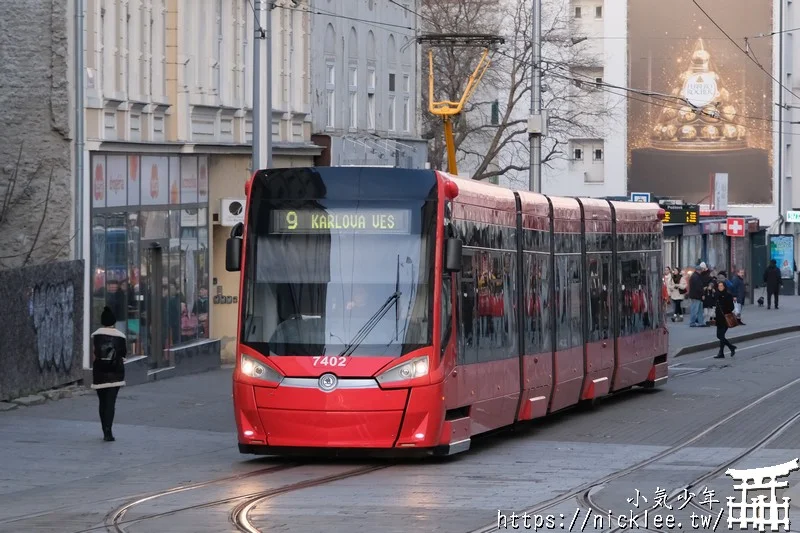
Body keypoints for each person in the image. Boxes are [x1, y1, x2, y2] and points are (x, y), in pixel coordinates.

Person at [91, 306, 127, 441]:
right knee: (111, 403)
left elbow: (93, 354)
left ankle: (104, 429)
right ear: (113, 321)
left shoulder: (95, 336)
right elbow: (123, 355)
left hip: (99, 372)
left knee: (102, 402)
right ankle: (109, 432)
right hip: (115, 373)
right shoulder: (120, 336)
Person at [714, 281, 736, 359]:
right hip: (718, 318)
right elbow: (714, 304)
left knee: (720, 335)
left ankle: (724, 351)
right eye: (719, 286)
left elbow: (731, 307)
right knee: (719, 335)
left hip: (726, 318)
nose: (720, 287)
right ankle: (728, 349)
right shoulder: (716, 294)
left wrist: (725, 309)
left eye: (721, 286)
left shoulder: (728, 295)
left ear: (724, 286)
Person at [688, 262, 707, 327]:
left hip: (695, 295)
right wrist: (702, 294)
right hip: (696, 296)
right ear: (699, 270)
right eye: (701, 270)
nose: (701, 271)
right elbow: (699, 287)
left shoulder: (694, 276)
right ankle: (693, 322)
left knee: (699, 310)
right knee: (696, 310)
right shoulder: (696, 277)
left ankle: (700, 322)